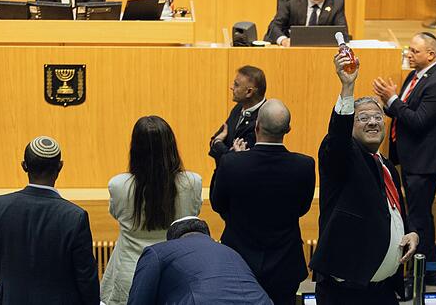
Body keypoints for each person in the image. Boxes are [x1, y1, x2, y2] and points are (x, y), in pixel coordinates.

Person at [309, 53, 419, 305]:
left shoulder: (387, 165)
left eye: (378, 117)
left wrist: (411, 231)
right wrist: (347, 87)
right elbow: (337, 136)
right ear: (350, 125)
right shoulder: (342, 155)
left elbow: (394, 211)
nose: (372, 123)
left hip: (383, 291)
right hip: (346, 293)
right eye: (363, 118)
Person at [210, 99, 316, 305]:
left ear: (256, 126)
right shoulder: (304, 165)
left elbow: (217, 204)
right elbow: (302, 208)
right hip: (285, 263)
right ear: (288, 129)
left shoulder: (232, 163)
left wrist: (237, 160)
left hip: (239, 262)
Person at [372, 32, 436, 286]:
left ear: (431, 54)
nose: (409, 54)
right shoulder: (416, 75)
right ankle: (422, 271)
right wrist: (387, 103)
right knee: (417, 216)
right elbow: (405, 110)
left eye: (415, 51)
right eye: (409, 49)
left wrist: (393, 99)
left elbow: (418, 121)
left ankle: (422, 273)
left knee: (419, 218)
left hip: (424, 162)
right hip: (411, 158)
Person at [0, 136, 99, 304]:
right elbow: (86, 279)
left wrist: (13, 280)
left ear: (24, 166)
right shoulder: (74, 216)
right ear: (60, 166)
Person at [100, 116, 202, 305]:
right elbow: (193, 214)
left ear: (135, 149)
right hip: (176, 273)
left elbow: (115, 213)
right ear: (171, 147)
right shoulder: (192, 183)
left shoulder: (118, 185)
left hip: (130, 274)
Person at [127, 217, 273, 305]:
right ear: (207, 235)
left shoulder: (158, 251)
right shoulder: (230, 251)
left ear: (172, 239)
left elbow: (139, 299)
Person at [209, 65, 267, 160]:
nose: (231, 87)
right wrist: (218, 143)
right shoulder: (239, 107)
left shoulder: (264, 118)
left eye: (236, 85)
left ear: (249, 92)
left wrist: (218, 142)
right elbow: (213, 141)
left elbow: (237, 160)